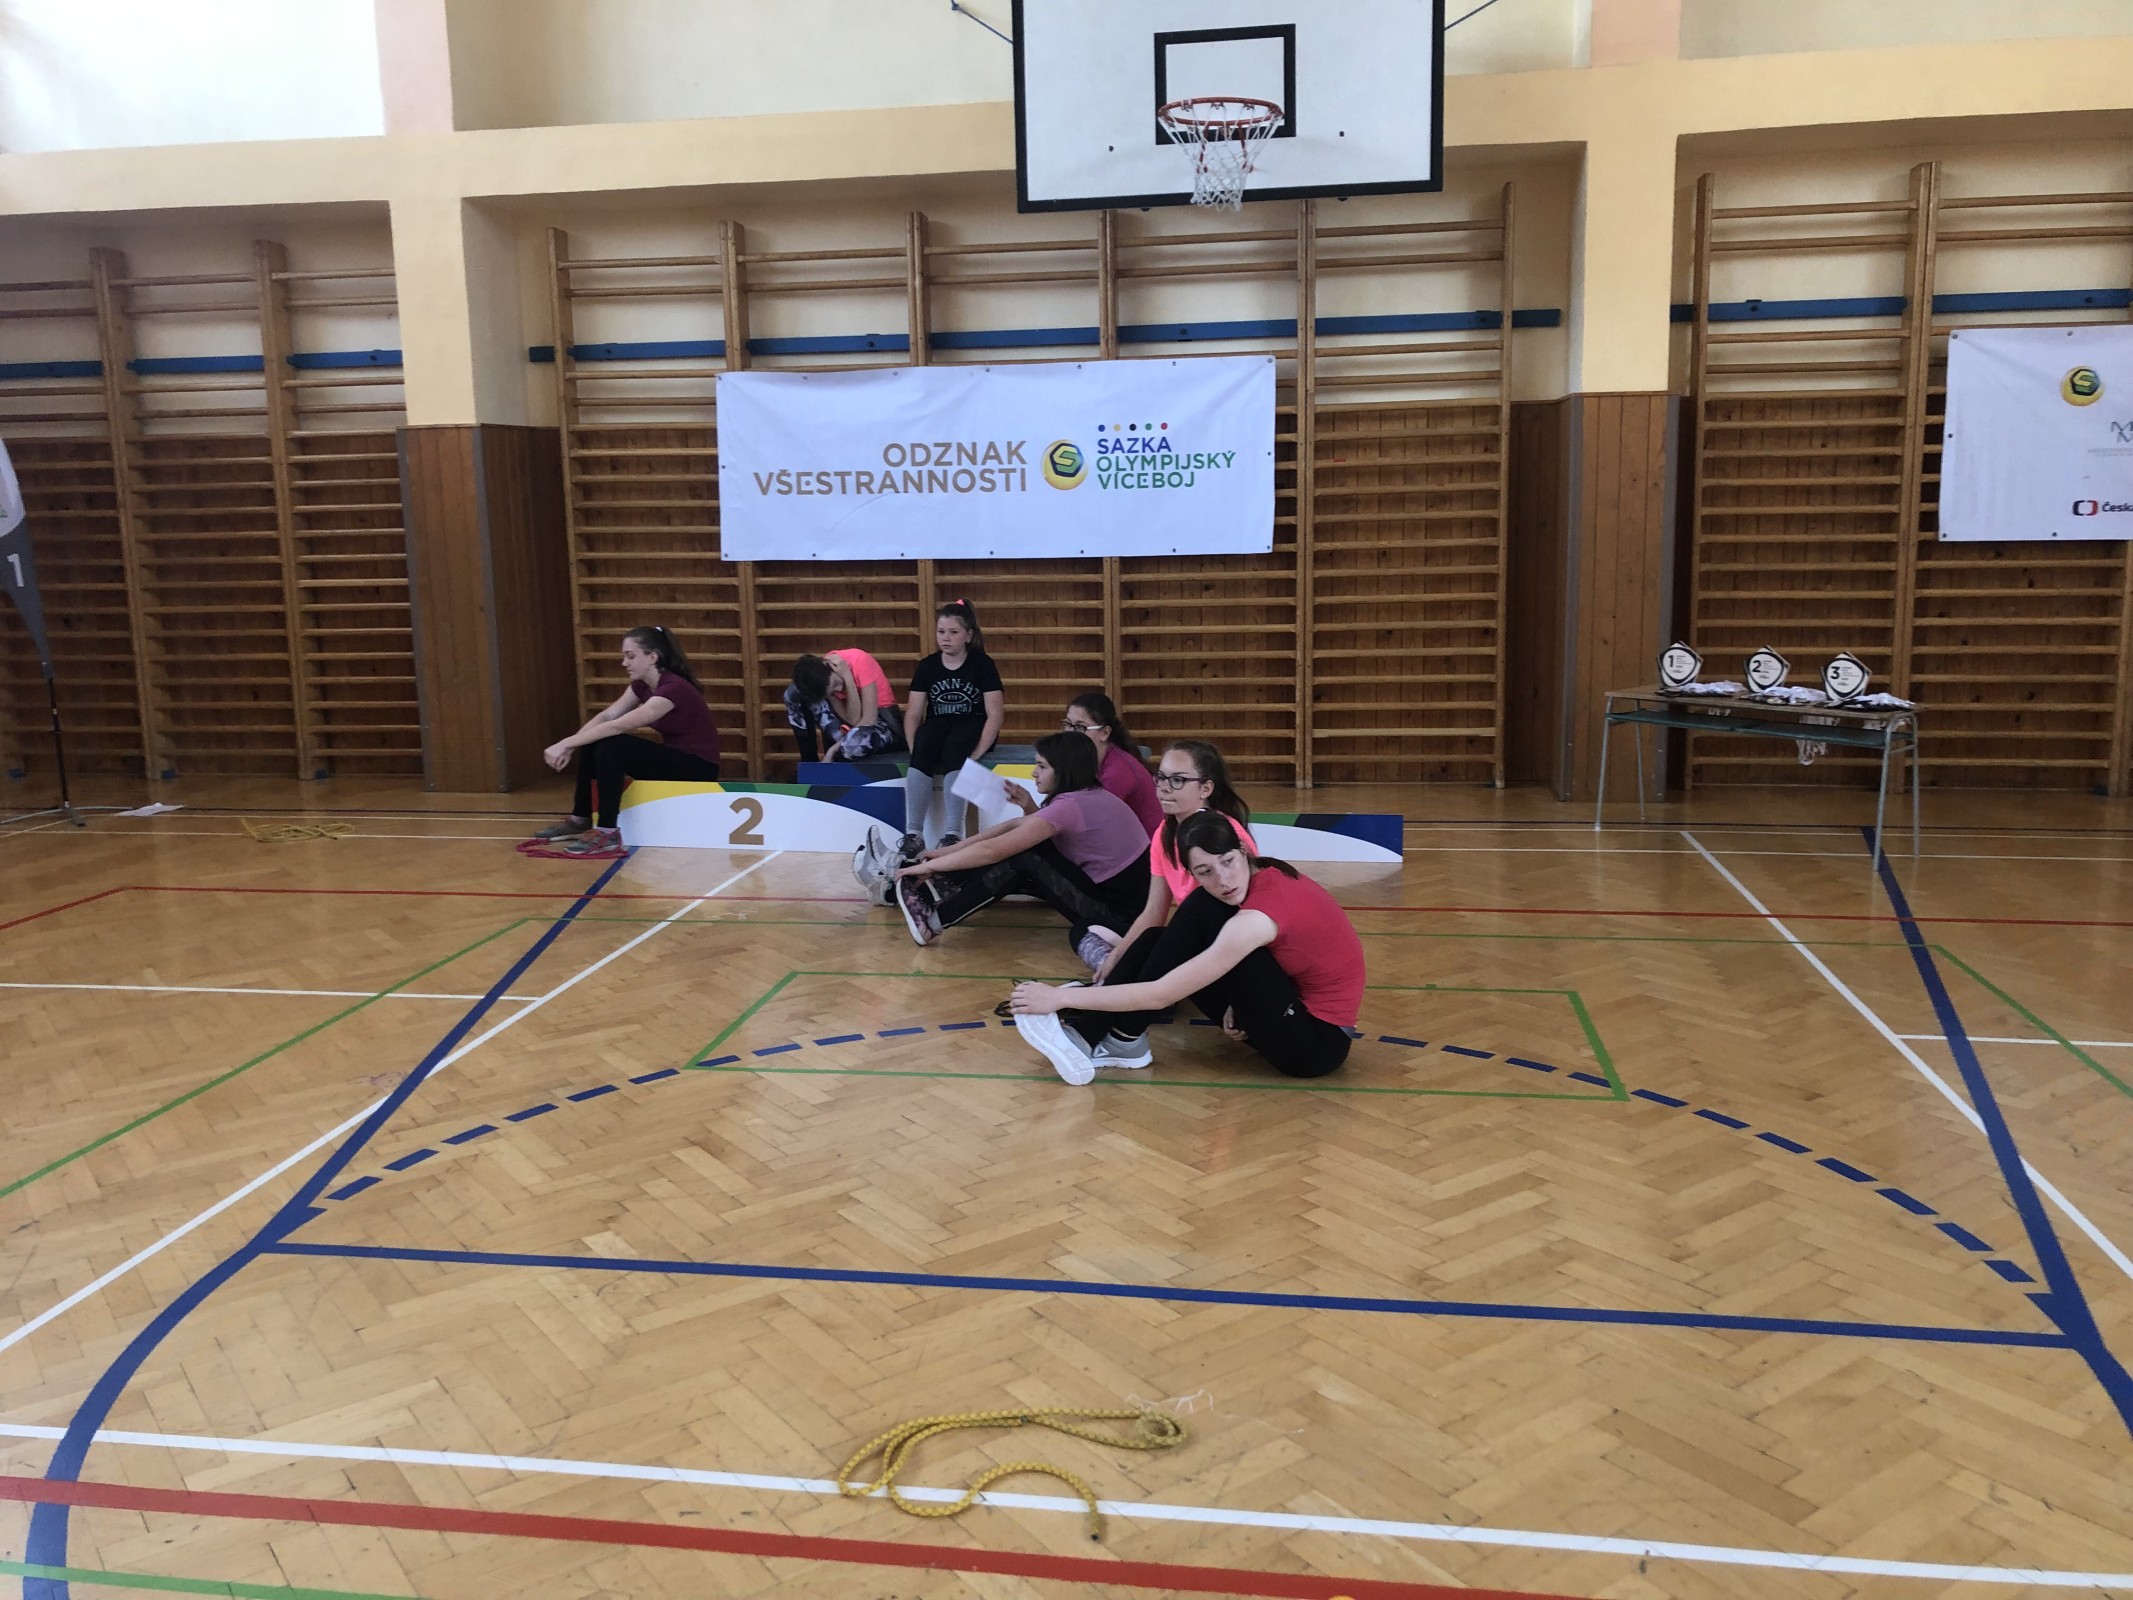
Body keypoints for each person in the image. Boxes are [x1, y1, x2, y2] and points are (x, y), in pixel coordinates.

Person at [1007, 811, 1364, 1086]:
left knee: (1202, 909)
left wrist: (1059, 998)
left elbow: (1162, 994)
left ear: (1244, 852)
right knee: (1158, 937)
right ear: (1192, 874)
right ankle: (1119, 1040)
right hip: (1290, 1008)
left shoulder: (1255, 918)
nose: (1222, 879)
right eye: (1205, 871)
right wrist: (1248, 1000)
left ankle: (1106, 1036)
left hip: (1313, 1047)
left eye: (1227, 861)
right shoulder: (1261, 878)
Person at [891, 730, 1150, 956]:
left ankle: (932, 922)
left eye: (1042, 766)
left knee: (1023, 858)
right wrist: (944, 853)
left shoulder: (1070, 805)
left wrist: (931, 865)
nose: (1034, 773)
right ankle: (936, 888)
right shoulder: (1085, 796)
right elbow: (1014, 826)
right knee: (1025, 850)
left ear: (1064, 770)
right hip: (1118, 902)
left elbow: (992, 850)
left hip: (1116, 917)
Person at [529, 626, 721, 855]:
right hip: (676, 761)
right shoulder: (642, 686)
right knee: (594, 740)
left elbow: (618, 725)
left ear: (653, 657)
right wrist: (574, 745)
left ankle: (607, 831)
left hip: (698, 768)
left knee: (612, 744)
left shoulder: (673, 688)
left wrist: (566, 744)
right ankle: (580, 819)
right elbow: (607, 716)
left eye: (631, 656)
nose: (624, 663)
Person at [1091, 739, 1257, 983]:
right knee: (1089, 929)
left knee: (1149, 946)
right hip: (1190, 934)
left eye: (1177, 780)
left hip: (1224, 944)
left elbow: (1251, 909)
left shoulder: (1225, 833)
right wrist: (1117, 955)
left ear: (1205, 789)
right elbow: (1154, 911)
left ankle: (1120, 987)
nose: (1164, 788)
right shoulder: (1163, 834)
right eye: (1161, 778)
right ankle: (1115, 972)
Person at [901, 598, 1003, 856]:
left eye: (953, 632)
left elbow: (994, 713)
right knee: (926, 742)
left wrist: (978, 753)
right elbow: (913, 714)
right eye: (941, 632)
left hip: (971, 723)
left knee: (955, 747)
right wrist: (916, 749)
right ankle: (913, 833)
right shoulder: (927, 666)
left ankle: (953, 833)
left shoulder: (982, 664)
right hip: (939, 724)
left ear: (968, 635)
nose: (945, 638)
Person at [1005, 692, 1160, 837]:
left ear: (1105, 733)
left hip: (1147, 850)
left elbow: (1081, 831)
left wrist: (1031, 810)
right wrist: (1029, 806)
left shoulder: (1116, 773)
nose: (1071, 733)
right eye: (1068, 724)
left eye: (1080, 727)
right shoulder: (1083, 762)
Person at [786, 648, 904, 762]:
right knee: (792, 693)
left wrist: (848, 678)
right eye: (833, 691)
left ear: (830, 666)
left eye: (835, 683)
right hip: (850, 728)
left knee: (850, 747)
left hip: (879, 724)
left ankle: (841, 749)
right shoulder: (825, 679)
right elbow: (852, 720)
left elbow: (868, 719)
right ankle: (809, 761)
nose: (839, 689)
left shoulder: (860, 661)